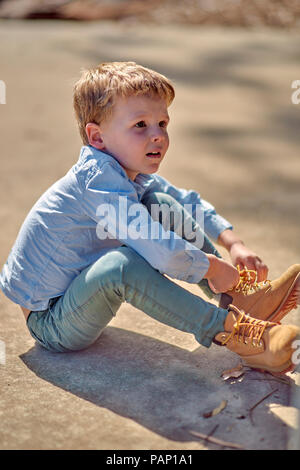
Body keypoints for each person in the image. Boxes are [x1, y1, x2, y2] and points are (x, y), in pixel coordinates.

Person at [0, 61, 299, 374]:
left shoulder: (126, 171)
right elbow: (156, 247)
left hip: (78, 293)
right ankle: (234, 331)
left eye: (162, 123)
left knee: (161, 202)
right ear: (97, 137)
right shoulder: (98, 184)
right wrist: (209, 265)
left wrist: (232, 243)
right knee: (122, 264)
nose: (157, 136)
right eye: (140, 125)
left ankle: (237, 297)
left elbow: (187, 201)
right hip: (52, 321)